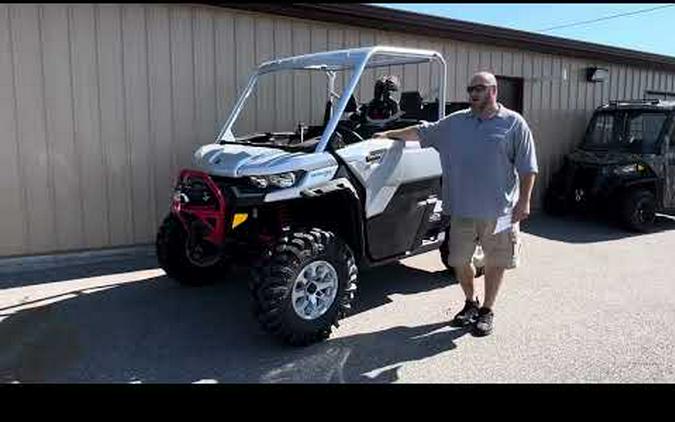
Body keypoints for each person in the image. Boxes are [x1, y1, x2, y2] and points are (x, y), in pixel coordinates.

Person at [372, 71, 538, 337]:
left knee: (496, 261)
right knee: (459, 260)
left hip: (500, 210)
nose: (473, 93)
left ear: (494, 91)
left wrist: (524, 202)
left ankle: (486, 310)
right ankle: (470, 302)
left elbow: (528, 167)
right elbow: (421, 132)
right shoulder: (455, 123)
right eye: (471, 88)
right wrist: (385, 135)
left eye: (480, 88)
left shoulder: (513, 124)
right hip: (462, 209)